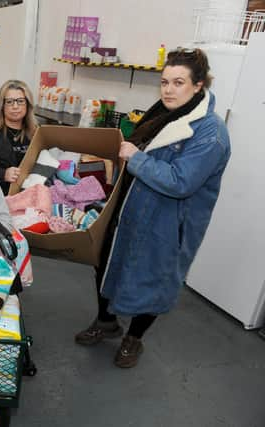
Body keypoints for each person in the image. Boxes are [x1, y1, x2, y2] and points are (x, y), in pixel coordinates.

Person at [74, 48, 231, 368]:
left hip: (168, 222)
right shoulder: (163, 113)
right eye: (164, 82)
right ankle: (106, 321)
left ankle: (135, 339)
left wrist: (136, 157)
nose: (169, 90)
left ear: (199, 85)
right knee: (106, 261)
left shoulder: (210, 132)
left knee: (153, 279)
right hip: (132, 207)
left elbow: (181, 182)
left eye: (178, 82)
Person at [0, 79, 39, 194]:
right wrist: (2, 174)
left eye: (20, 101)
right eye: (9, 102)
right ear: (2, 105)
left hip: (30, 195)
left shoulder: (37, 133)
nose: (15, 106)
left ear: (28, 104)